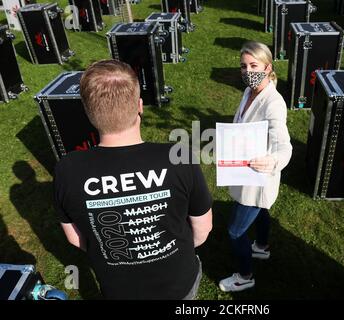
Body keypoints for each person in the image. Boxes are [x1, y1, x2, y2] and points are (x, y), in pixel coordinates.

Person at [54, 60, 213, 300]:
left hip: (119, 288)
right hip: (179, 282)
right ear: (140, 106)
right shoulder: (179, 158)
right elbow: (202, 229)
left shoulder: (67, 169)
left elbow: (75, 238)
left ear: (88, 113)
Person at [219, 41, 292, 292]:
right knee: (262, 212)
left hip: (257, 176)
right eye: (243, 66)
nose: (247, 71)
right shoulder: (250, 91)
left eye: (254, 65)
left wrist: (273, 161)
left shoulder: (273, 103)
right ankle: (261, 247)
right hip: (244, 167)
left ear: (267, 67)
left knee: (235, 232)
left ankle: (245, 275)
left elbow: (284, 146)